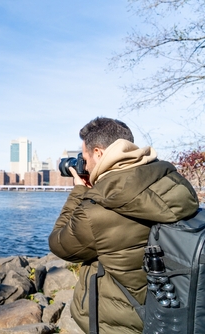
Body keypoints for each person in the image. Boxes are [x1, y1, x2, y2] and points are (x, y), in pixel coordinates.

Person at [48, 117, 199, 333]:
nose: (85, 165)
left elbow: (59, 244)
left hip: (116, 323)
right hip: (163, 312)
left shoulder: (98, 208)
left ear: (99, 154)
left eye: (84, 158)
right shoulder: (172, 183)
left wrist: (80, 191)